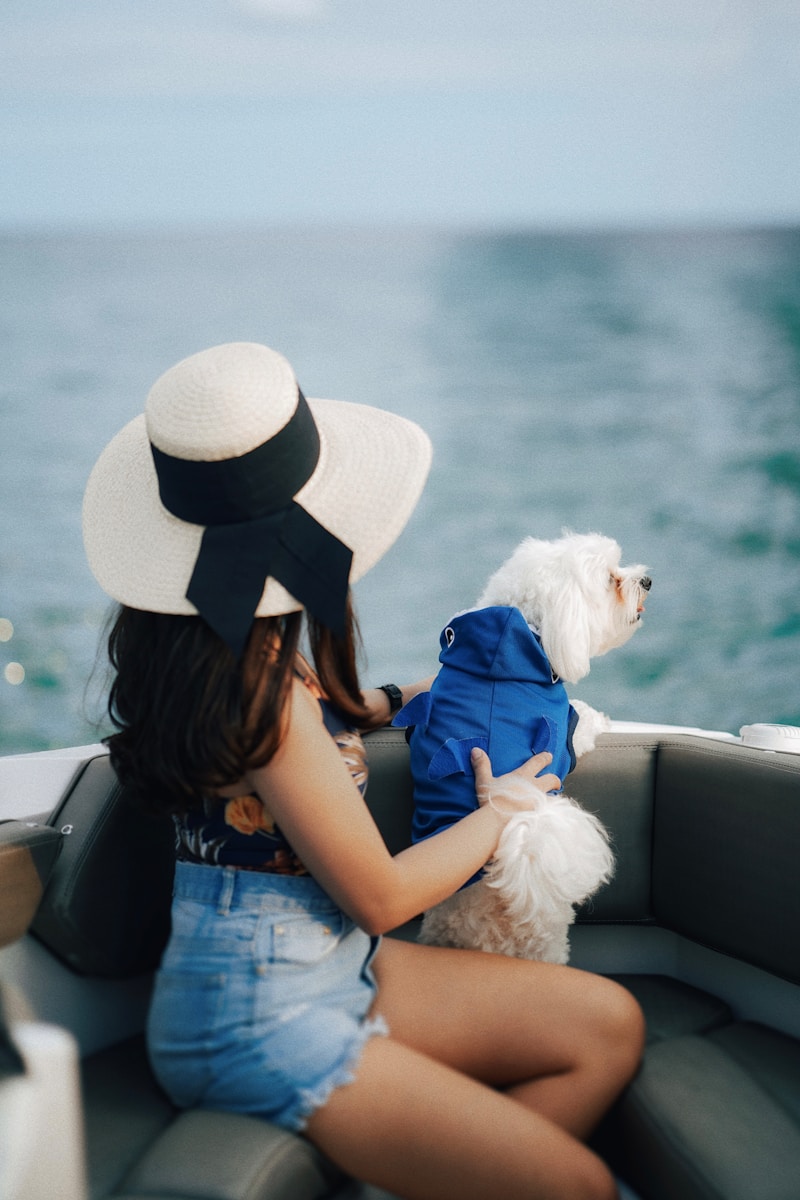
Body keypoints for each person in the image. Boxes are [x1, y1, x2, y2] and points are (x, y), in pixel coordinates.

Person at [82, 341, 644, 1200]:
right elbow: (380, 898)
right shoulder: (259, 689)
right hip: (259, 1016)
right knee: (580, 1187)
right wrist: (502, 814)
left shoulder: (218, 651)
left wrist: (392, 698)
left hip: (318, 965)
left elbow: (301, 732)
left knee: (608, 1025)